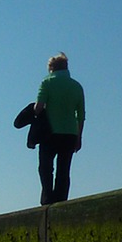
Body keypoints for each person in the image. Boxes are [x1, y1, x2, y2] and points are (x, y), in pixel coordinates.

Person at [34, 52, 85, 205]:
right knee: (64, 171)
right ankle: (61, 201)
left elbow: (39, 108)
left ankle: (47, 200)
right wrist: (79, 137)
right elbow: (81, 115)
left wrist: (33, 110)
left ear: (51, 68)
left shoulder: (47, 83)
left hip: (50, 133)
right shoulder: (77, 86)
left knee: (45, 168)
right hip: (70, 134)